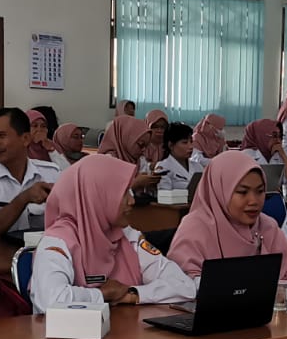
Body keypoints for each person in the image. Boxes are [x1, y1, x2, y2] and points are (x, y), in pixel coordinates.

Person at [170, 152, 287, 292]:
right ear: (220, 191)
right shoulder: (195, 227)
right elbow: (183, 285)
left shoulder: (265, 225)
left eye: (259, 191)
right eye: (242, 192)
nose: (254, 201)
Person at [29, 156, 196, 310]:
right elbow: (51, 300)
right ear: (97, 197)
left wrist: (132, 294)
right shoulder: (57, 241)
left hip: (124, 330)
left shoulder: (127, 236)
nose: (132, 201)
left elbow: (185, 286)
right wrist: (102, 295)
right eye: (123, 194)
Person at [0, 107, 61, 238]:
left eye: (1, 136)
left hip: (46, 248)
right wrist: (24, 198)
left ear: (25, 139)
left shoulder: (52, 173)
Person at [98, 115, 163, 192]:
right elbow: (109, 193)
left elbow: (146, 171)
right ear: (126, 139)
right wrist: (136, 183)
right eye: (141, 145)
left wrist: (153, 176)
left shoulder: (138, 160)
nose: (144, 150)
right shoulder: (108, 161)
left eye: (146, 146)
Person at [155, 122, 208, 190]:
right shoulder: (163, 167)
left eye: (191, 142)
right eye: (185, 142)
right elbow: (164, 193)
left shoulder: (198, 167)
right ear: (171, 145)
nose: (191, 147)